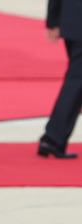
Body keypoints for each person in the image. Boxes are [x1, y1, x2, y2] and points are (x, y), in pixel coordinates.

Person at [39, 0, 82, 159]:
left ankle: (53, 138)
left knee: (76, 81)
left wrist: (53, 20)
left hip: (71, 22)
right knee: (76, 83)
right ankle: (53, 138)